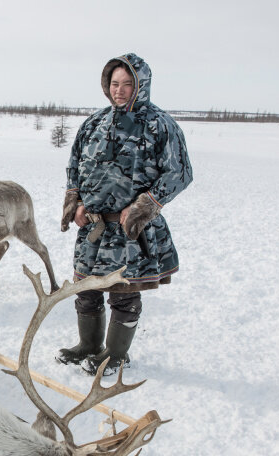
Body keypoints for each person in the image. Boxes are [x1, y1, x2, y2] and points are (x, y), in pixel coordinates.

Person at [58, 53, 193, 376]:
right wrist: (75, 203)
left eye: (127, 84)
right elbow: (75, 165)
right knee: (87, 289)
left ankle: (115, 354)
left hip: (130, 230)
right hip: (93, 227)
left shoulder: (160, 124)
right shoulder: (95, 122)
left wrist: (140, 208)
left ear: (140, 85)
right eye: (115, 83)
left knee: (122, 293)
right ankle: (88, 346)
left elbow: (179, 173)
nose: (119, 90)